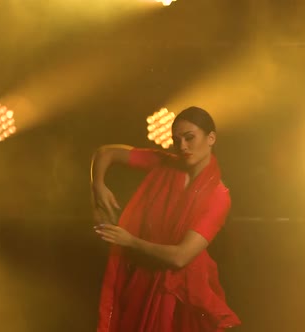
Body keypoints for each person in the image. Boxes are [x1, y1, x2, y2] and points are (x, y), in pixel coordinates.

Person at [90, 106, 241, 332]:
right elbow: (105, 153)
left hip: (183, 293)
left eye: (190, 138)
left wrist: (130, 241)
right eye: (176, 139)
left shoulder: (218, 196)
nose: (182, 146)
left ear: (211, 138)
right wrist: (98, 186)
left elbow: (181, 257)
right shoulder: (165, 163)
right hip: (144, 277)